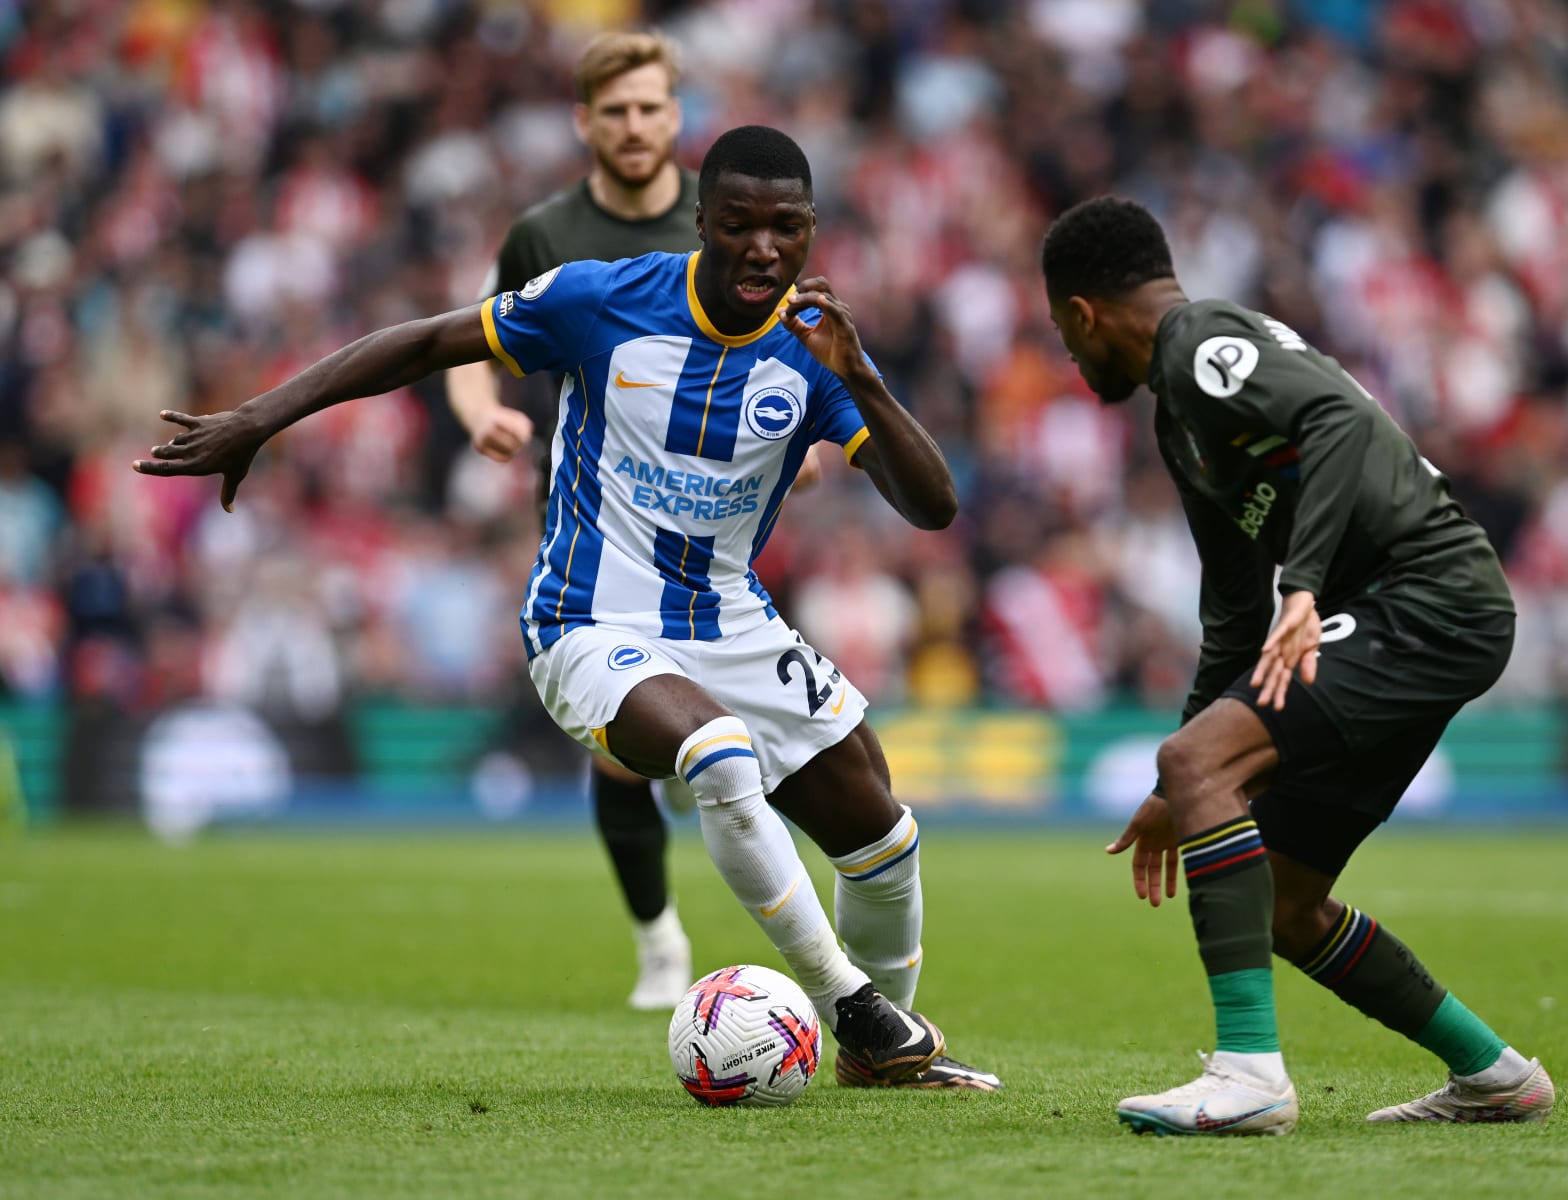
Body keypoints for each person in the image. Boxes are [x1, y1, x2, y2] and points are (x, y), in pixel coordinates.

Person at [135, 125, 1000, 1092]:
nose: (764, 249)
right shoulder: (602, 298)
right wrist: (261, 417)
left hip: (730, 619)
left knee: (881, 839)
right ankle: (857, 1009)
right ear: (702, 223)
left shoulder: (815, 352)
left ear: (811, 231)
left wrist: (863, 377)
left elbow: (933, 508)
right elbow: (426, 343)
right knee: (717, 757)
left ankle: (881, 1058)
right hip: (589, 623)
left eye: (787, 229)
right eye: (741, 226)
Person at [1039, 196, 1553, 1135]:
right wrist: (1183, 760)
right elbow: (1233, 612)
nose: (1073, 362)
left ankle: (1250, 1076)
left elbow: (1341, 425)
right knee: (1281, 898)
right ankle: (1495, 1074)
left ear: (1083, 313)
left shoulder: (1201, 339)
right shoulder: (1180, 423)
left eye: (1064, 337)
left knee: (1205, 769)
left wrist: (1304, 588)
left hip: (1426, 597)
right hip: (1396, 615)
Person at [446, 30, 824, 1011]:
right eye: (614, 111)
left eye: (651, 107)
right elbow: (465, 343)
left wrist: (813, 440)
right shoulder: (547, 236)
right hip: (594, 529)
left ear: (675, 114)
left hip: (717, 526)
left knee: (730, 738)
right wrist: (482, 411)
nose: (634, 126)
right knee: (624, 756)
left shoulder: (736, 217)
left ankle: (821, 931)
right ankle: (661, 940)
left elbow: (798, 340)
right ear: (585, 122)